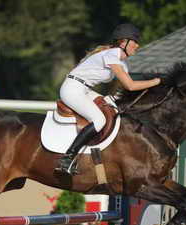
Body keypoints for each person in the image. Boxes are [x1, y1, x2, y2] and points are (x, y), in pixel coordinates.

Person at [55, 23, 162, 175]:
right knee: (99, 120)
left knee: (110, 106)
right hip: (72, 89)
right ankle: (67, 158)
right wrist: (157, 81)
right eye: (135, 42)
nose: (137, 46)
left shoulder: (120, 63)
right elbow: (131, 86)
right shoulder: (111, 55)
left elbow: (126, 90)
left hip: (83, 89)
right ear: (123, 43)